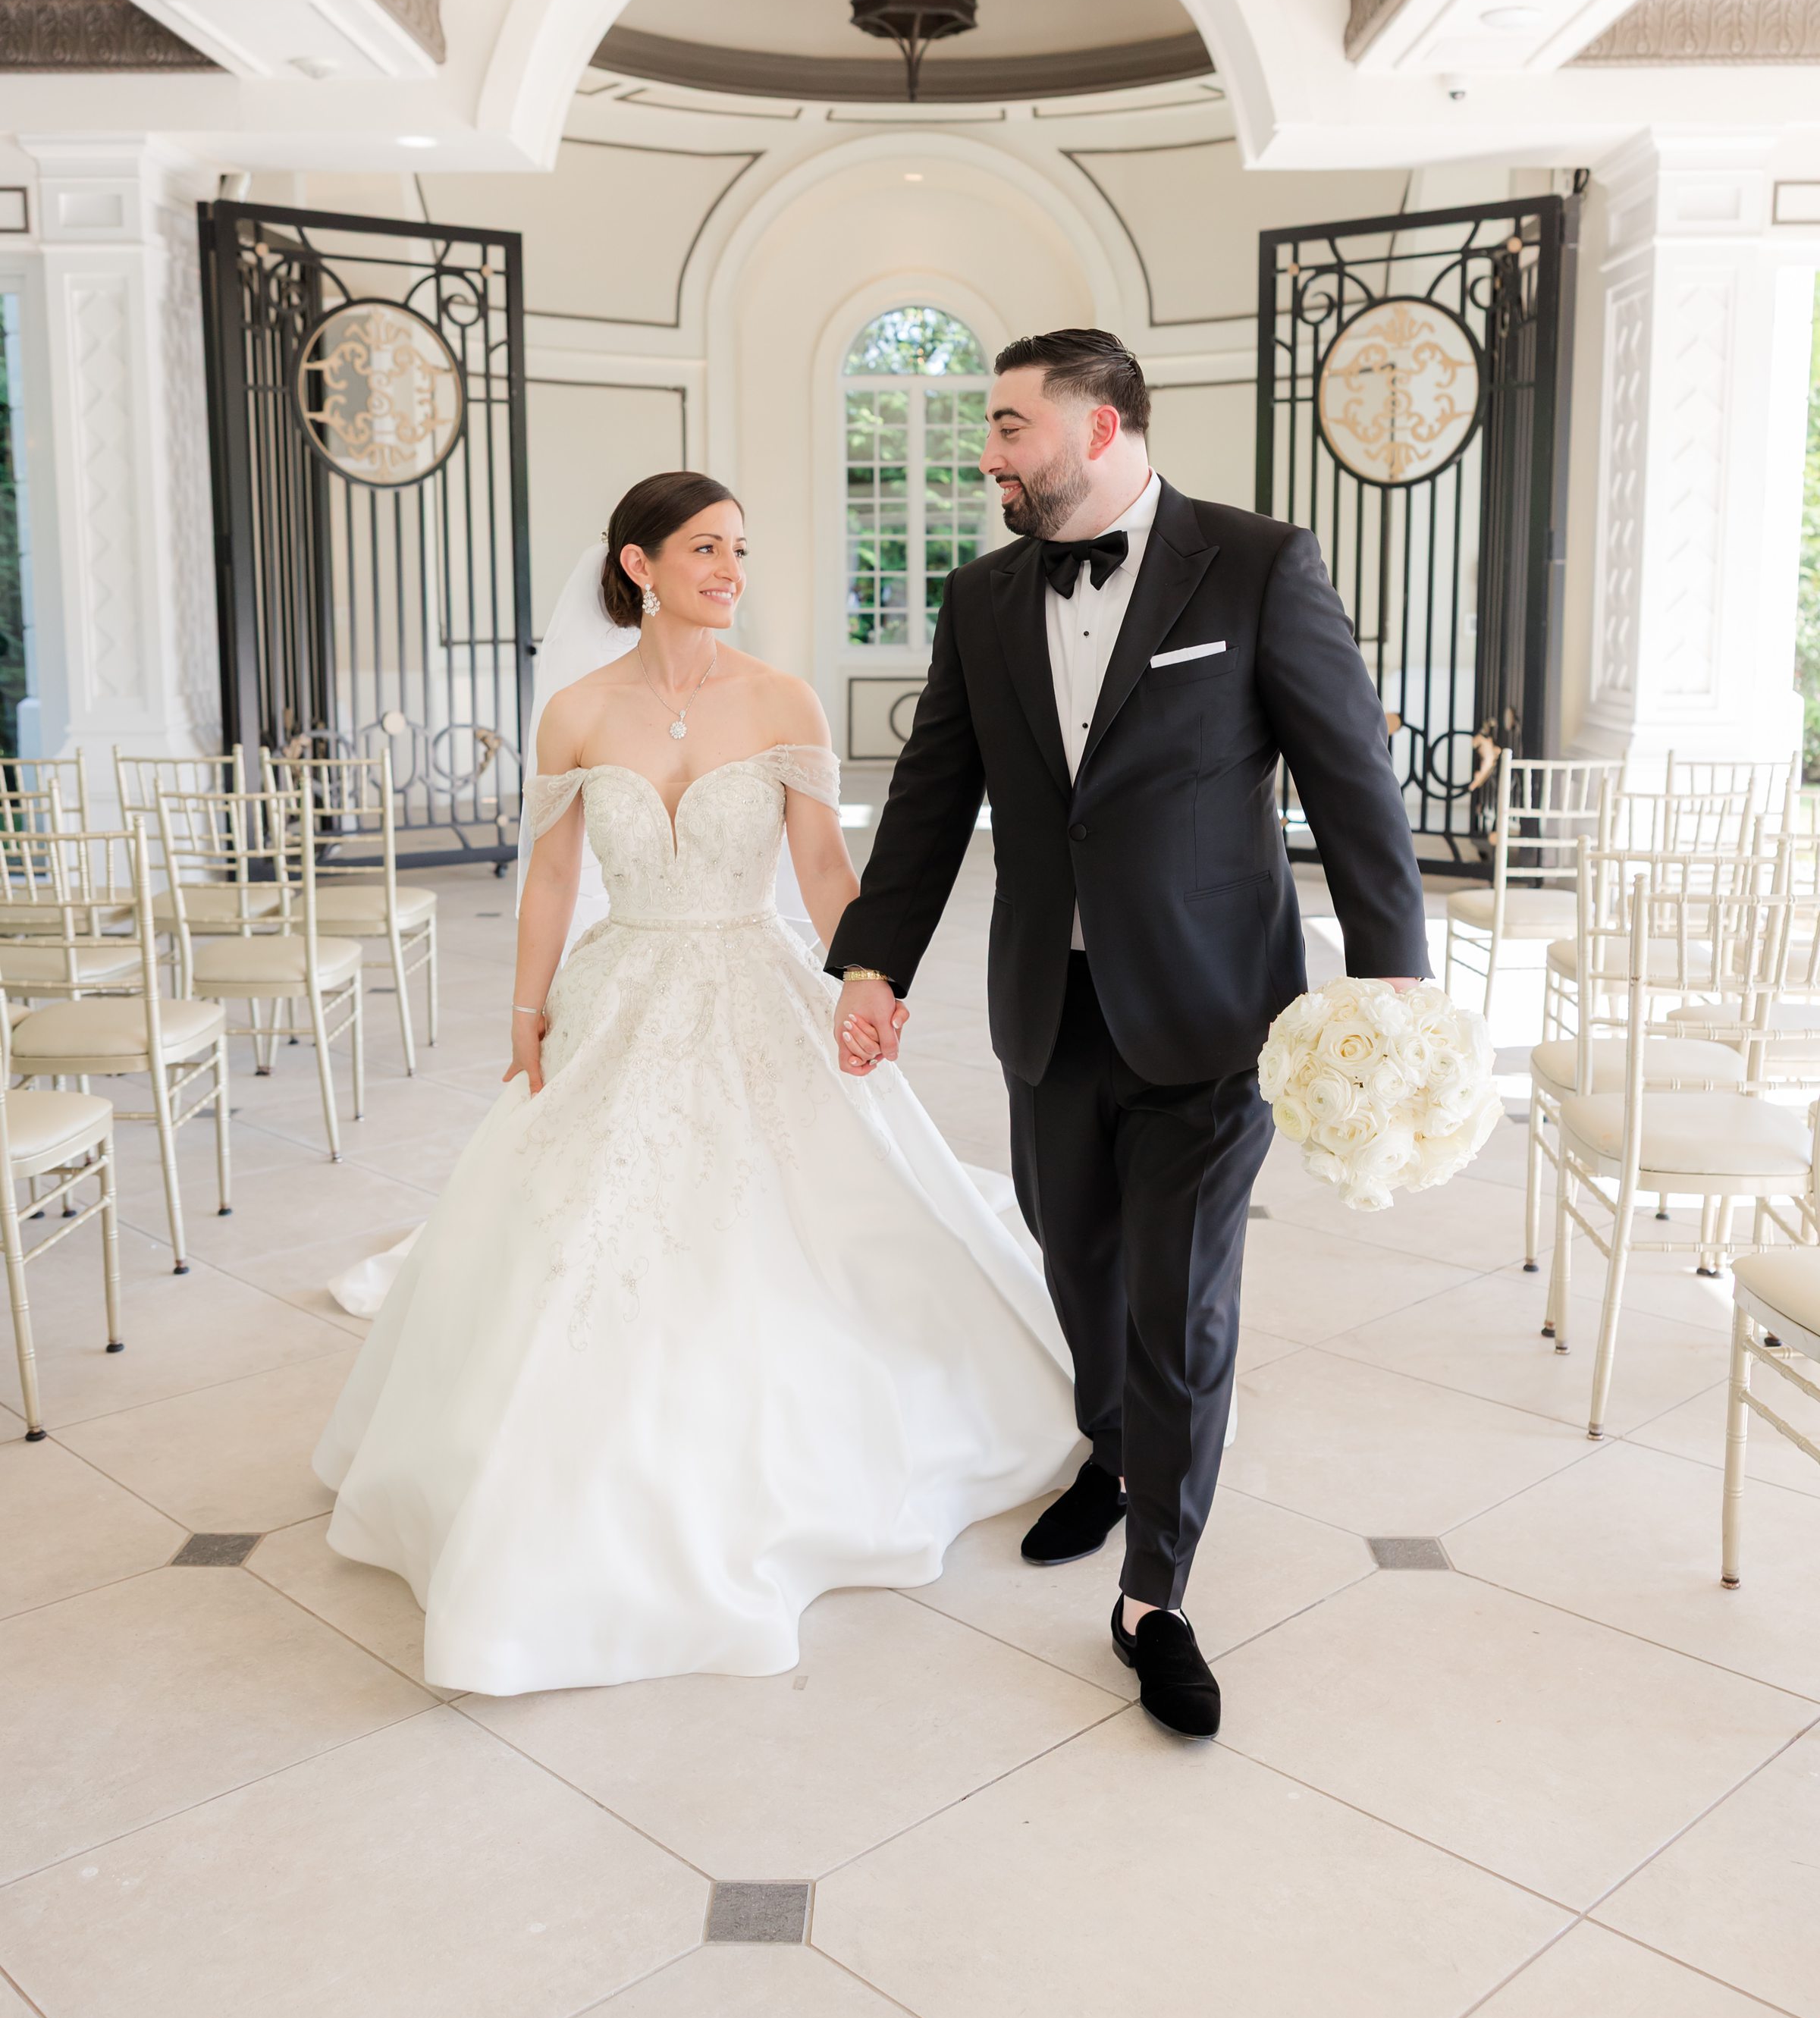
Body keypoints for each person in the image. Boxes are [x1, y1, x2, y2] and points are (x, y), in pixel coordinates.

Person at [314, 471, 1079, 1695]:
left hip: (753, 975)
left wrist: (864, 978)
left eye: (739, 549)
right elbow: (554, 884)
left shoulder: (781, 699)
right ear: (638, 565)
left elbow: (823, 865)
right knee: (583, 1226)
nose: (731, 569)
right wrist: (527, 1018)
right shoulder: (574, 711)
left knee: (785, 1216)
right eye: (706, 548)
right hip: (622, 987)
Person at [830, 330, 1429, 1739]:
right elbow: (929, 797)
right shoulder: (981, 598)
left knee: (1182, 1300)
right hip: (1051, 1006)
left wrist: (1392, 979)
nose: (989, 454)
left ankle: (1157, 1593)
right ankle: (1108, 1450)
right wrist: (872, 961)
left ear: (1101, 429)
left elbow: (1353, 783)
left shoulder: (1259, 566)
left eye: (1010, 427)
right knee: (1075, 1254)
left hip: (1218, 1010)